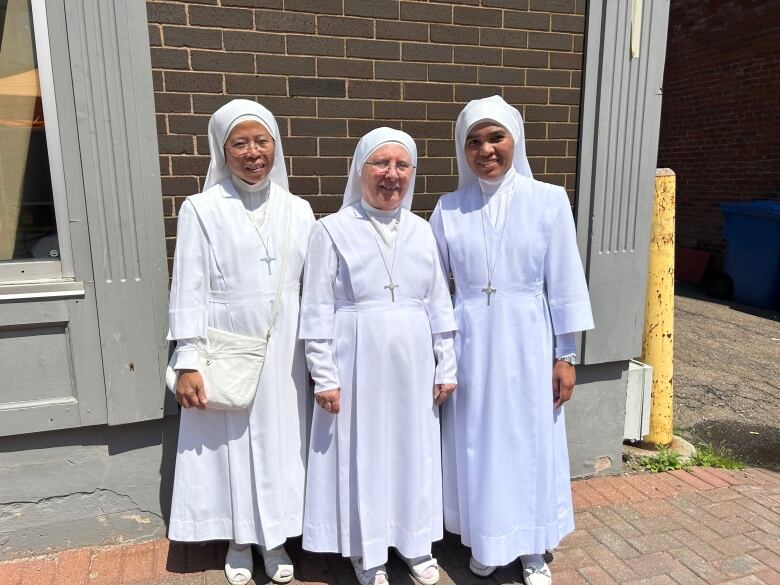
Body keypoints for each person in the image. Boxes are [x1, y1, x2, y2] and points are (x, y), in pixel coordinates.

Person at [430, 96, 594, 585]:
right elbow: (434, 284)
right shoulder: (449, 207)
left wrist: (565, 354)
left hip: (527, 339)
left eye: (495, 137)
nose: (486, 150)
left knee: (528, 441)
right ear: (463, 150)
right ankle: (486, 537)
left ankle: (530, 547)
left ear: (514, 140)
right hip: (471, 343)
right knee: (477, 441)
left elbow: (563, 279)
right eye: (474, 141)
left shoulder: (548, 199)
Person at [299, 128, 457, 585]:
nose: (392, 175)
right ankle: (367, 552)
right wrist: (323, 375)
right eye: (381, 165)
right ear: (360, 169)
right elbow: (316, 309)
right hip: (355, 361)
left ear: (412, 173)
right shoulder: (330, 229)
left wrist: (447, 363)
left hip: (413, 364)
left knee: (412, 450)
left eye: (402, 165)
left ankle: (414, 542)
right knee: (362, 451)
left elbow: (438, 305)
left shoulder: (421, 230)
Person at [167, 99, 315, 585]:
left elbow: (316, 287)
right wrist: (187, 359)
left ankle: (274, 539)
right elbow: (187, 286)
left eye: (262, 141)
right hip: (226, 347)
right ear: (222, 149)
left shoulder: (299, 209)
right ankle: (237, 539)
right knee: (232, 448)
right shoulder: (202, 209)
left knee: (279, 445)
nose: (253, 153)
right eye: (240, 143)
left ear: (276, 146)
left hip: (286, 352)